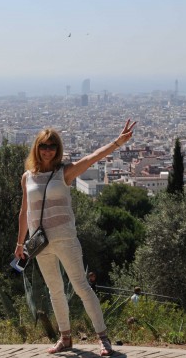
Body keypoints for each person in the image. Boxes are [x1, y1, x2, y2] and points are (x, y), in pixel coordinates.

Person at [15, 119, 137, 356]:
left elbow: (93, 158)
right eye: (43, 145)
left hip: (65, 239)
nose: (47, 149)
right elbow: (24, 211)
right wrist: (20, 243)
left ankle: (102, 338)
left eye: (52, 145)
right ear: (36, 148)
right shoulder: (27, 177)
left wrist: (117, 142)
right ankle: (65, 338)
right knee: (55, 290)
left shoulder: (65, 172)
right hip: (39, 244)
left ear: (57, 149)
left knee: (81, 287)